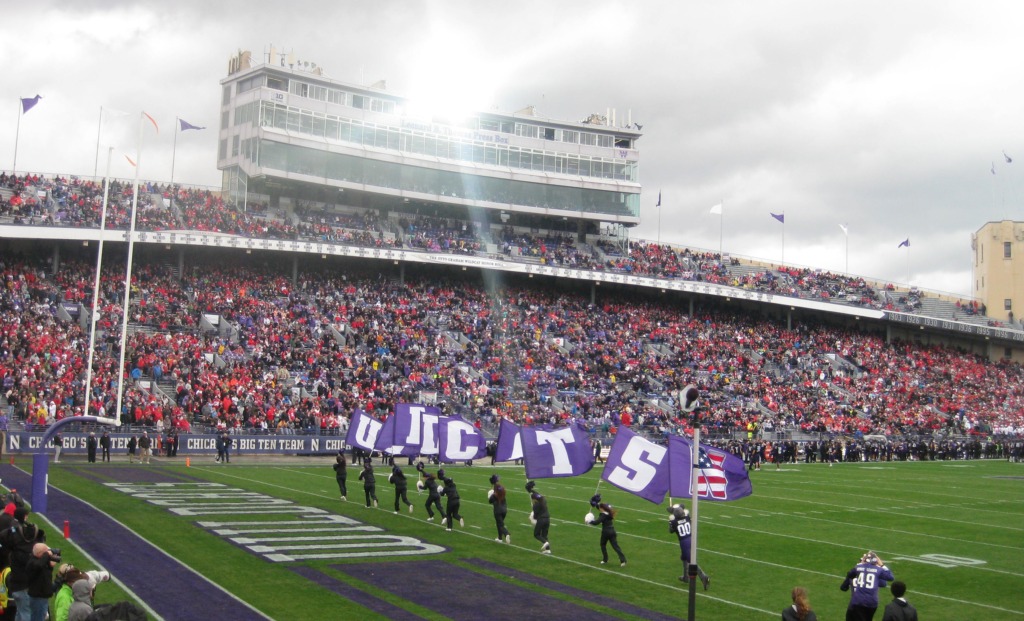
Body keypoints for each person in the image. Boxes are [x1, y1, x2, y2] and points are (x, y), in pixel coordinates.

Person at [841, 552, 895, 621]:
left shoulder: (859, 567)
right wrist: (881, 565)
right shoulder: (879, 570)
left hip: (858, 601)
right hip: (872, 602)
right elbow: (890, 578)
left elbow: (850, 574)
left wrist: (861, 564)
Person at [668, 504, 709, 589]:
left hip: (684, 542)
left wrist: (670, 522)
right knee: (684, 558)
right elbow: (684, 511)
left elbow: (671, 531)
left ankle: (704, 577)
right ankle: (686, 577)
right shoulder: (687, 518)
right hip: (691, 539)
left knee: (692, 561)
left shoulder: (674, 522)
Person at [585, 501, 625, 567]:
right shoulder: (609, 513)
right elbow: (600, 507)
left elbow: (596, 522)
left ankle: (605, 559)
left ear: (601, 509)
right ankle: (623, 560)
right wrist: (595, 503)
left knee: (603, 545)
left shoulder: (603, 515)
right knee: (616, 546)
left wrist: (590, 521)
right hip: (613, 531)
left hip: (606, 532)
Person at [26, 543, 57, 621]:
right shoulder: (32, 562)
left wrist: (50, 566)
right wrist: (46, 555)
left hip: (42, 597)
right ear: (39, 553)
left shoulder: (40, 562)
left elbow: (45, 574)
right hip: (38, 598)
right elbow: (38, 566)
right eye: (45, 552)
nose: (48, 554)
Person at [527, 482, 551, 554]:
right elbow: (537, 494)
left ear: (534, 499)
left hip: (541, 519)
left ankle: (545, 542)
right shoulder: (543, 500)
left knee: (536, 534)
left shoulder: (535, 506)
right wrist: (531, 490)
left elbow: (535, 516)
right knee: (544, 535)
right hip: (547, 519)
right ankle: (548, 550)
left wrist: (532, 517)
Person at [487, 474, 510, 544]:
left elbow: (490, 501)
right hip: (504, 510)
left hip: (498, 511)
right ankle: (500, 538)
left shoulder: (494, 495)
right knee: (499, 524)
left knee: (500, 525)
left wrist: (491, 494)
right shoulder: (502, 494)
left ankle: (506, 534)